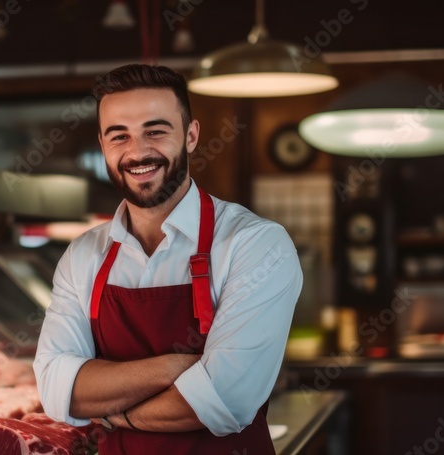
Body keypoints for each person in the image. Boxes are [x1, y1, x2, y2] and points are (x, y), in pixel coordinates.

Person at [33, 64, 302, 455]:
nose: (137, 152)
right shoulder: (83, 255)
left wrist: (115, 414)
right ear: (103, 145)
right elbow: (60, 390)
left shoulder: (255, 244)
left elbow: (226, 399)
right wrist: (177, 367)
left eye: (155, 131)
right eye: (119, 135)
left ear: (191, 136)